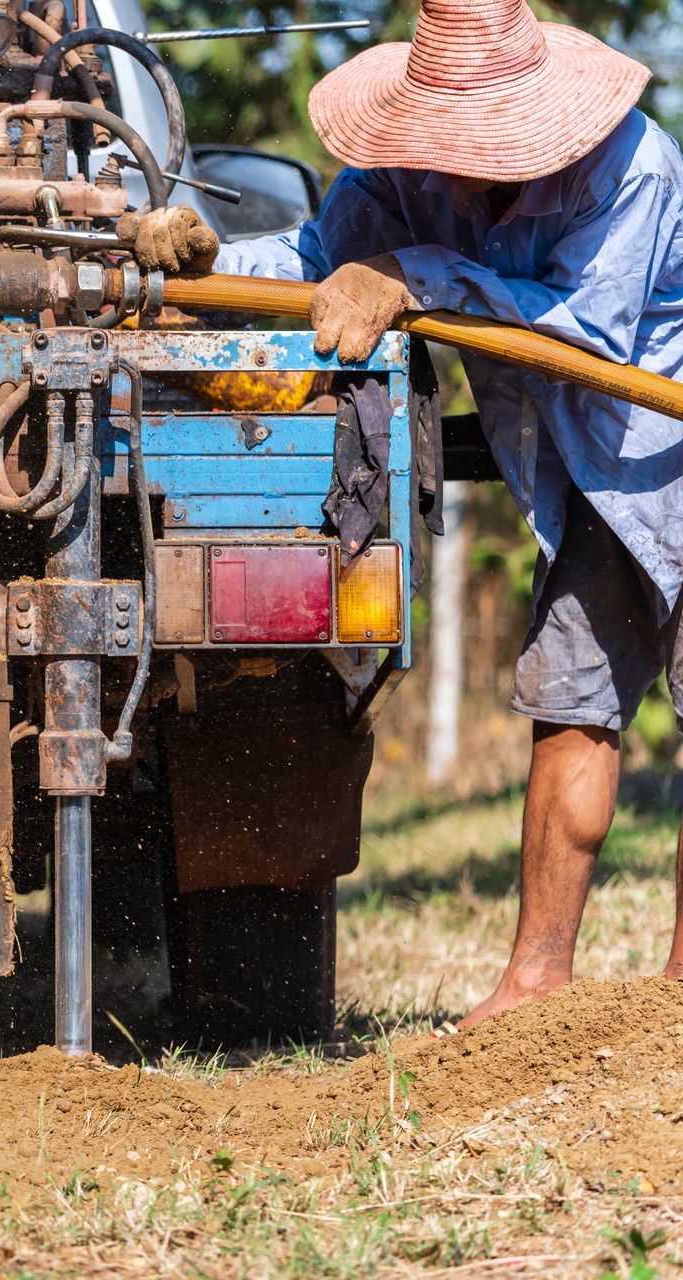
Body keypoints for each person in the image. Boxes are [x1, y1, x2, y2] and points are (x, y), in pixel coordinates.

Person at [126, 0, 683, 1027]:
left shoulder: (632, 167)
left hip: (664, 442)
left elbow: (588, 333)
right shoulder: (399, 175)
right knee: (572, 705)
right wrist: (201, 266)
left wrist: (415, 275)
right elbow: (314, 263)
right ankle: (534, 985)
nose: (458, 165)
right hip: (583, 479)